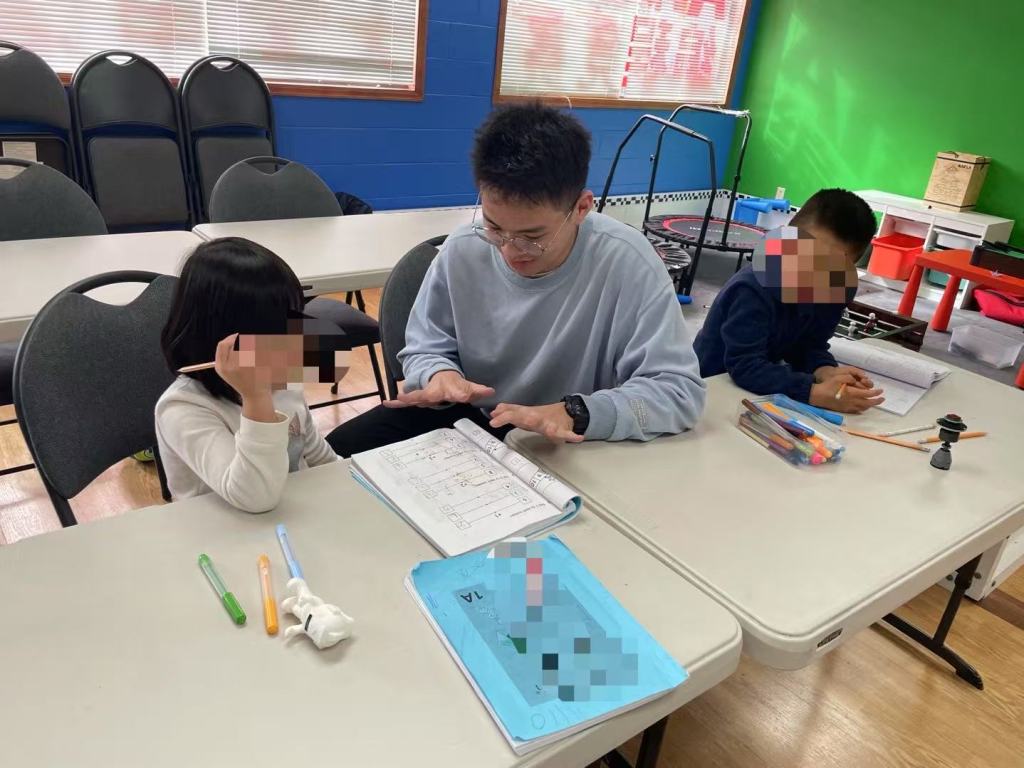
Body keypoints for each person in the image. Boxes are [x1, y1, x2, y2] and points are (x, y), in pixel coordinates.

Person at [327, 102, 706, 457]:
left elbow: (678, 393)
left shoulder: (628, 261)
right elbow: (424, 346)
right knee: (335, 453)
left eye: (532, 237)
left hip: (565, 437)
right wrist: (439, 373)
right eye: (494, 227)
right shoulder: (463, 249)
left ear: (581, 208)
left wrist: (576, 412)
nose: (510, 250)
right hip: (472, 417)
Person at [156, 237, 343, 512]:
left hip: (292, 515)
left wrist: (351, 483)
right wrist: (256, 397)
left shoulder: (281, 380)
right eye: (280, 328)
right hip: (224, 529)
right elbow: (255, 497)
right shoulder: (182, 408)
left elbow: (318, 455)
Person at [694, 188, 884, 413]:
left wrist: (824, 371)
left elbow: (808, 345)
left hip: (761, 388)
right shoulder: (752, 288)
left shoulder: (836, 288)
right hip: (710, 385)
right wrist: (813, 392)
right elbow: (744, 365)